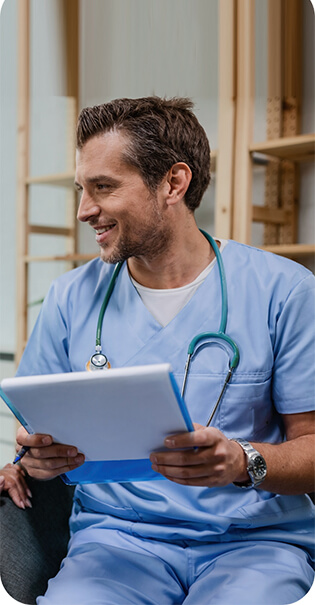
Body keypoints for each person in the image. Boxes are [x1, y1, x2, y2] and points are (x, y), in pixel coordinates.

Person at [14, 97, 314, 605]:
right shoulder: (70, 298)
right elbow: (34, 434)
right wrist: (31, 460)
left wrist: (245, 462)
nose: (85, 210)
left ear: (173, 183)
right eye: (81, 191)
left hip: (254, 544)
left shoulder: (284, 291)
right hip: (115, 543)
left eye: (103, 187)